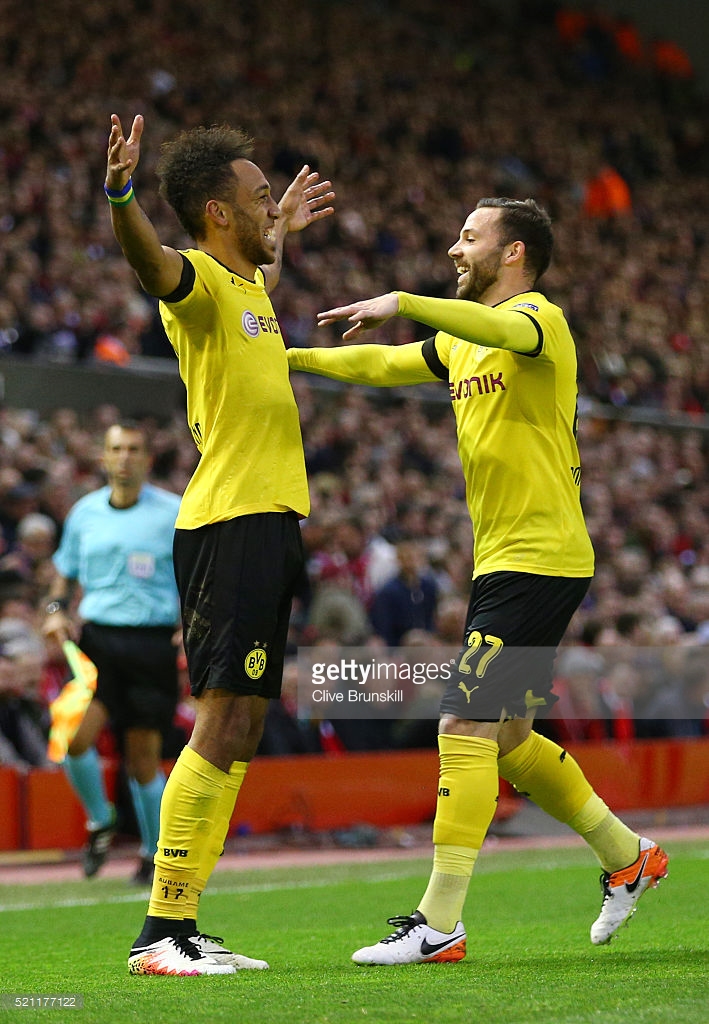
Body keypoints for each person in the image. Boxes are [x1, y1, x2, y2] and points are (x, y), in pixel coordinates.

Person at [287, 197, 668, 964]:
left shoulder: (537, 320)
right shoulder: (463, 340)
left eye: (469, 237)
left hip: (538, 554)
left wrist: (401, 301)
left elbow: (498, 331)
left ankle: (439, 924)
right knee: (510, 739)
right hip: (506, 559)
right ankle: (627, 856)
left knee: (462, 725)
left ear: (513, 252)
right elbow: (384, 365)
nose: (454, 249)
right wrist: (288, 359)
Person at [104, 113, 334, 976]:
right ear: (217, 212)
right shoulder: (199, 279)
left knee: (242, 723)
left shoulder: (249, 288)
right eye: (260, 196)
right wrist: (122, 195)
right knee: (219, 719)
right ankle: (160, 930)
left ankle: (184, 920)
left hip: (269, 519)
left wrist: (282, 235)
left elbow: (260, 266)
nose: (273, 204)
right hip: (228, 521)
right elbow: (151, 264)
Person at [43, 422, 182, 885]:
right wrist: (56, 610)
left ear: (147, 459)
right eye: (117, 448)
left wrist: (192, 624)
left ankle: (153, 854)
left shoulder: (173, 512)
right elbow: (63, 576)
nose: (125, 457)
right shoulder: (84, 513)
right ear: (103, 457)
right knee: (72, 738)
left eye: (134, 449)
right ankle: (100, 820)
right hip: (97, 642)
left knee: (142, 760)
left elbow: (197, 575)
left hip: (151, 643)